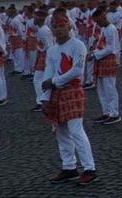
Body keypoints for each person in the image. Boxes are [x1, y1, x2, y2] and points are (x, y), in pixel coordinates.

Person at [40, 11, 98, 186]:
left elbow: (77, 71)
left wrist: (54, 81)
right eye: (55, 27)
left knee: (75, 130)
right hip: (56, 93)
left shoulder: (78, 45)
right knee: (61, 131)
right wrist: (44, 98)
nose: (58, 30)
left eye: (61, 26)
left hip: (72, 91)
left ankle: (90, 168)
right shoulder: (51, 50)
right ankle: (69, 167)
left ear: (69, 26)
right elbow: (47, 74)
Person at [91, 6, 121, 124]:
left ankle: (114, 113)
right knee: (101, 88)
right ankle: (106, 112)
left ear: (104, 17)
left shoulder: (111, 29)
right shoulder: (104, 28)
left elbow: (110, 48)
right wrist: (94, 53)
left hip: (108, 59)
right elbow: (101, 45)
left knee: (109, 88)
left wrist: (95, 55)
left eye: (98, 21)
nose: (97, 24)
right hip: (101, 59)